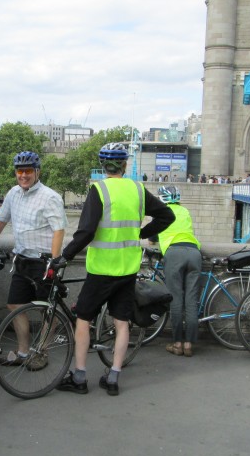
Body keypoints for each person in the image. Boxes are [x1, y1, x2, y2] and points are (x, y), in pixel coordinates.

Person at [54, 142, 173, 395]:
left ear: (102, 165)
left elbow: (85, 232)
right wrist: (141, 232)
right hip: (128, 269)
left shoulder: (99, 190)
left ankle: (80, 377)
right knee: (122, 323)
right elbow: (166, 217)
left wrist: (65, 256)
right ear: (124, 165)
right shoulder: (138, 189)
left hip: (101, 269)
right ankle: (114, 377)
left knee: (84, 320)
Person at [0, 151, 67, 369]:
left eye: (28, 171)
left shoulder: (50, 197)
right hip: (23, 260)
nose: (24, 175)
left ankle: (42, 352)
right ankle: (22, 351)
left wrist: (55, 261)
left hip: (44, 262)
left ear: (37, 172)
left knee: (46, 309)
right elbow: (1, 221)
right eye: (20, 171)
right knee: (14, 305)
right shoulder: (13, 194)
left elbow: (59, 230)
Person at [155, 186, 201, 358]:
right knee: (191, 300)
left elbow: (152, 238)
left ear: (162, 199)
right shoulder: (185, 211)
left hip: (174, 254)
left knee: (175, 299)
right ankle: (188, 345)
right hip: (194, 253)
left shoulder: (161, 212)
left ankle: (177, 343)